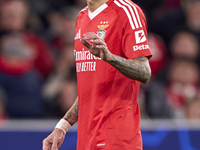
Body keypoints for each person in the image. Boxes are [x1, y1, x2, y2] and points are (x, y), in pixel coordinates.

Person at [43, 0, 152, 149]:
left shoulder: (127, 11)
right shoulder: (81, 16)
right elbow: (89, 88)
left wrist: (110, 57)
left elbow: (144, 71)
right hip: (87, 139)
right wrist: (63, 126)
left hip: (116, 139)